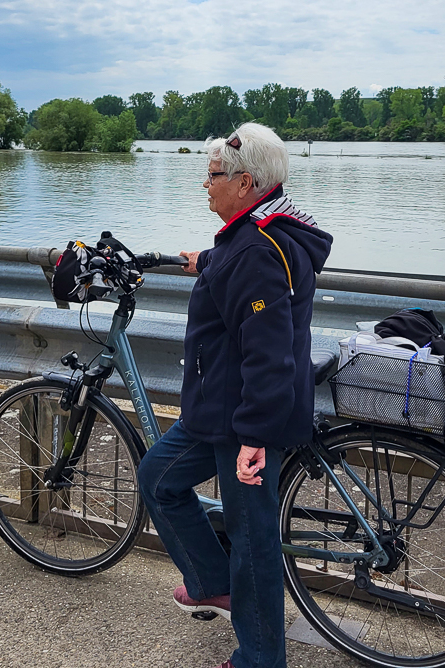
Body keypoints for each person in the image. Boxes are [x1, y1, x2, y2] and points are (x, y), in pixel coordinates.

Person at [138, 122, 333, 668]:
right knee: (159, 478)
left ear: (245, 183)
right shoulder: (261, 232)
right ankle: (212, 584)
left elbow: (268, 350)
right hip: (221, 407)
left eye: (213, 175)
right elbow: (245, 277)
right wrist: (206, 260)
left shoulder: (254, 250)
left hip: (247, 416)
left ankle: (260, 659)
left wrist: (254, 436)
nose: (206, 184)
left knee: (253, 540)